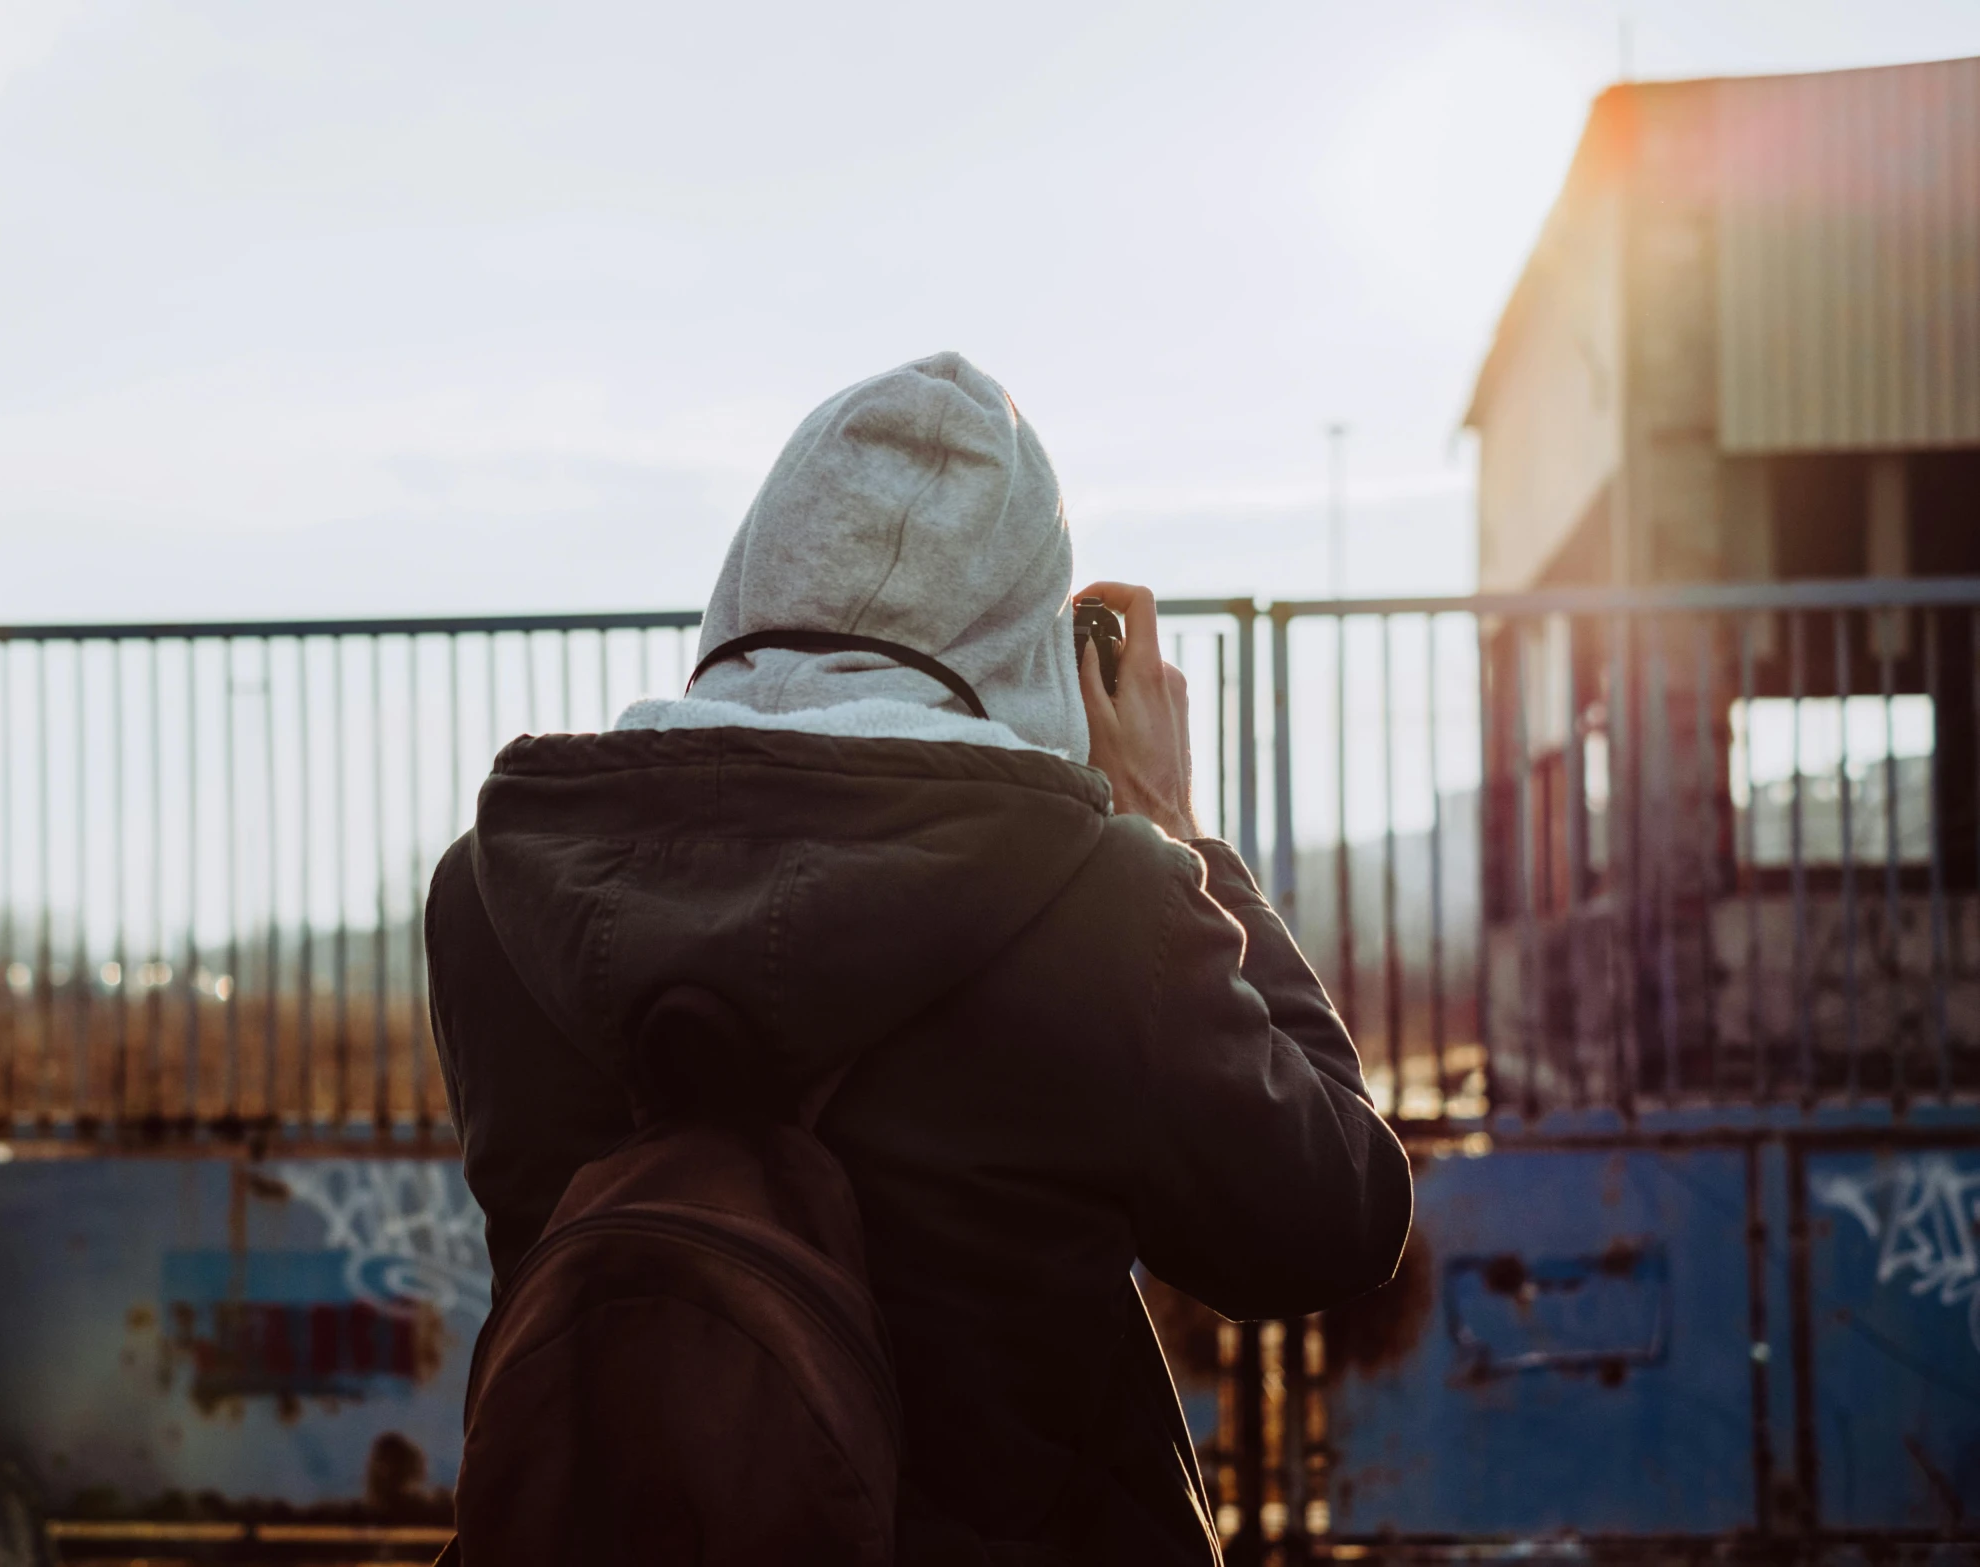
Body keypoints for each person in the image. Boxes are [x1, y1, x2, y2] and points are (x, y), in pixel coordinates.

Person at [424, 351, 1412, 1564]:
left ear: (746, 576)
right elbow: (1331, 1220)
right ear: (1029, 641)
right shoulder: (1094, 901)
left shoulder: (491, 889)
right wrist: (1173, 826)